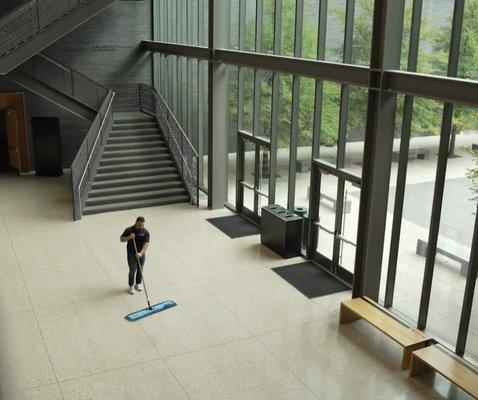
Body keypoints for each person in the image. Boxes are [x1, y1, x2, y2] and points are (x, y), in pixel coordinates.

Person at [120, 216, 150, 295]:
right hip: (131, 253)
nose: (141, 227)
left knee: (140, 269)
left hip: (141, 254)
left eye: (143, 225)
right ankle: (131, 285)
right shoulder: (129, 230)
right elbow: (121, 239)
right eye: (140, 225)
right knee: (132, 269)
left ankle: (138, 283)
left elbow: (146, 244)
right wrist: (129, 237)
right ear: (136, 222)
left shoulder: (145, 232)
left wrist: (141, 253)